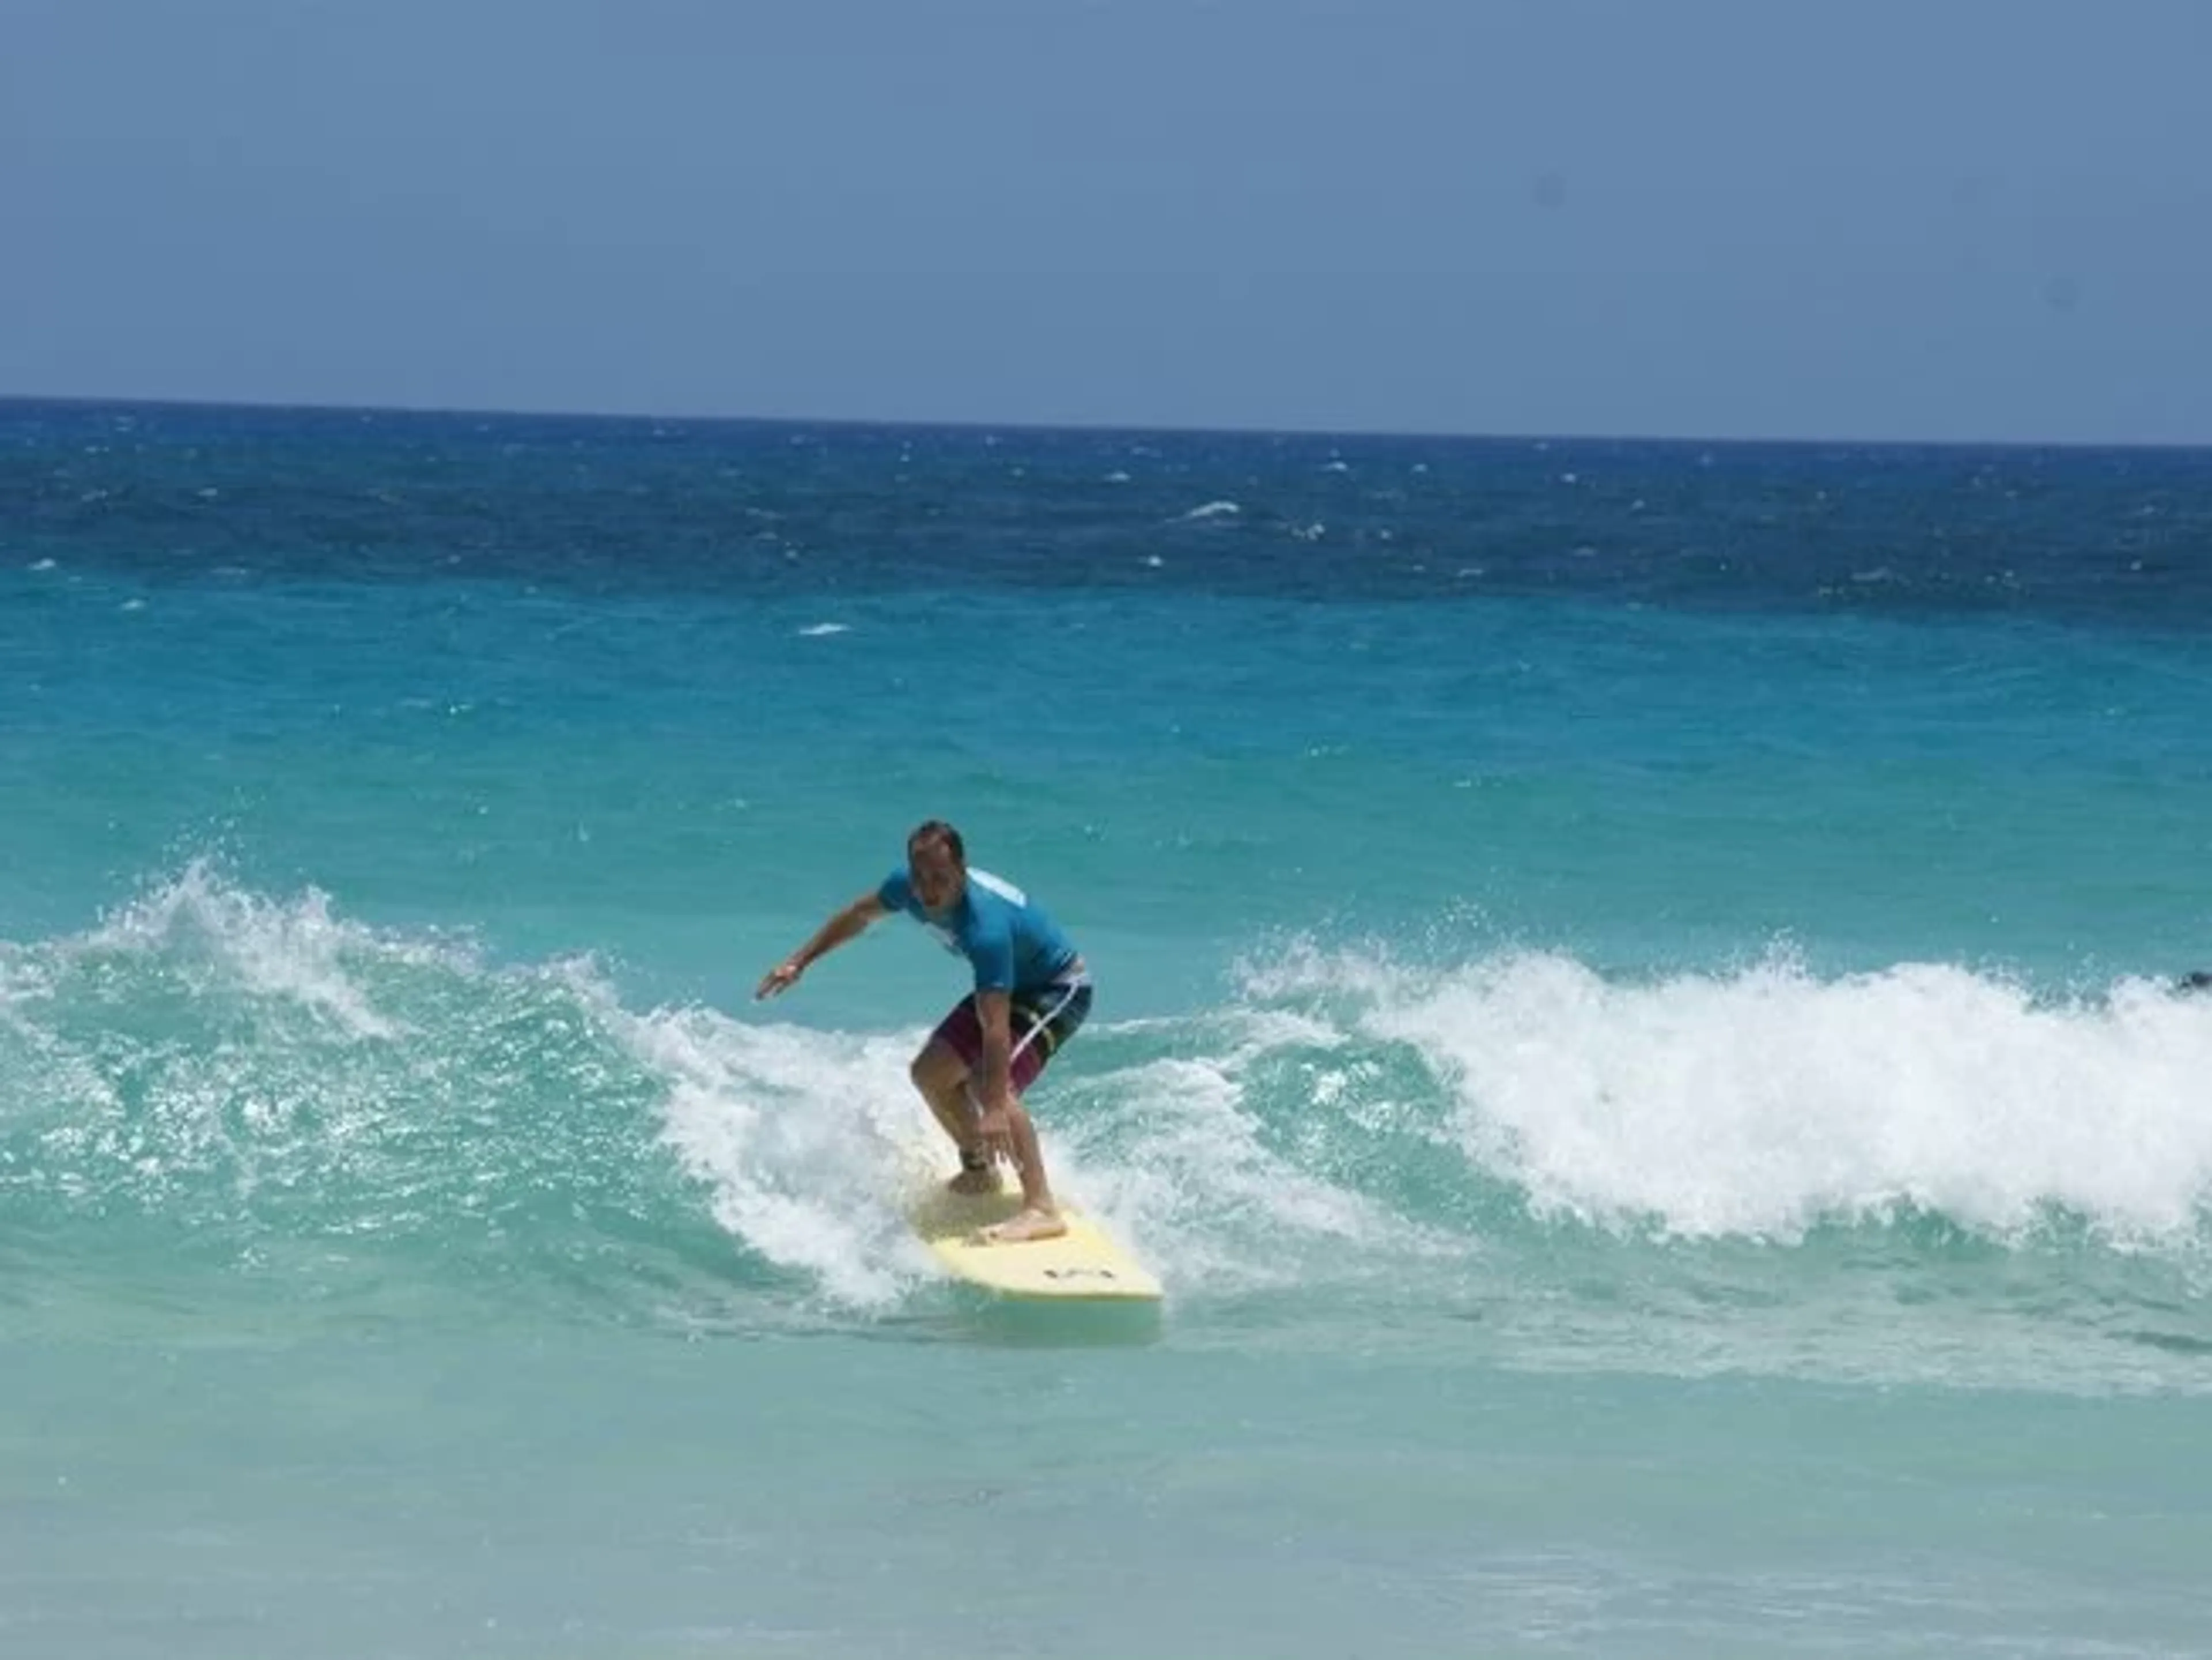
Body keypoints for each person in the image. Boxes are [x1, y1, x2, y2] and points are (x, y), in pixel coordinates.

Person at [755, 820, 1092, 1243]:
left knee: (992, 1086)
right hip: (1007, 984)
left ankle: (1041, 1208)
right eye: (921, 877)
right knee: (930, 1074)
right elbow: (858, 915)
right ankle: (981, 1171)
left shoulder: (986, 927)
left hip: (1056, 988)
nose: (929, 890)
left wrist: (992, 1108)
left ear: (962, 871)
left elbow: (995, 1028)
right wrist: (799, 961)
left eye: (941, 878)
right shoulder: (907, 887)